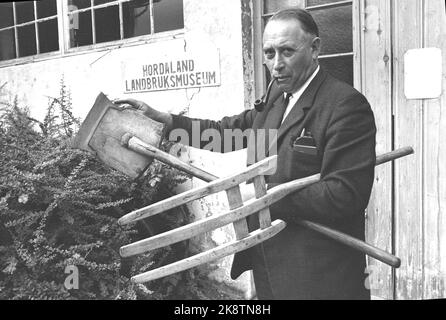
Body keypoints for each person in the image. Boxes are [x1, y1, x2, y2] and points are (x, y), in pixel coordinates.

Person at [116, 8, 376, 300]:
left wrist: (267, 198)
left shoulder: (345, 106)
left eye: (287, 51)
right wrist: (168, 123)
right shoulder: (278, 94)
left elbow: (345, 194)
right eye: (269, 53)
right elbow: (230, 133)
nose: (276, 64)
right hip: (268, 260)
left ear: (315, 48)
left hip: (318, 272)